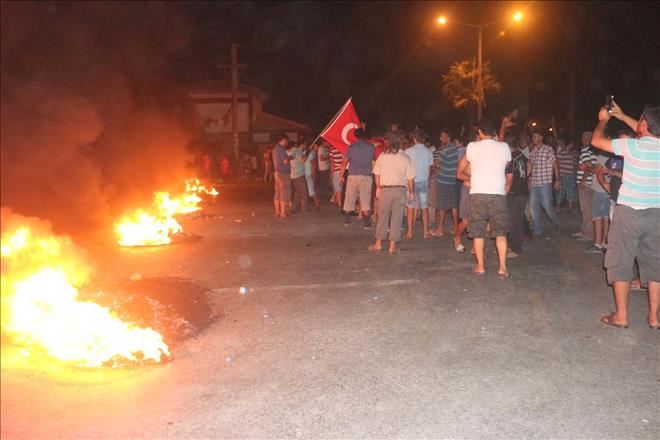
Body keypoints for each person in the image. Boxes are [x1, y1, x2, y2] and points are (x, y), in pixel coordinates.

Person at [590, 102, 660, 330]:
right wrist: (622, 115)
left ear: (644, 124)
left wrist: (604, 119)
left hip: (628, 212)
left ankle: (621, 316)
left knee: (620, 261)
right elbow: (648, 132)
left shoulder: (632, 146)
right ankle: (654, 317)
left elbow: (596, 141)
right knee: (655, 264)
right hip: (655, 215)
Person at [457, 118, 512, 278]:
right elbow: (506, 161)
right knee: (501, 232)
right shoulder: (504, 147)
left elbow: (467, 165)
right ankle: (502, 268)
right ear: (494, 132)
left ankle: (481, 266)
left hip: (478, 192)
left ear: (479, 132)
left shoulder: (472, 147)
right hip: (497, 193)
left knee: (478, 232)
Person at [369, 133, 415, 254]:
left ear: (388, 143)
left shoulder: (383, 156)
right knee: (397, 218)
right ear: (400, 143)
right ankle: (392, 246)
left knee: (382, 217)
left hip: (386, 190)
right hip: (400, 190)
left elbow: (376, 174)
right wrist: (411, 191)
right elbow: (410, 178)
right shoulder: (405, 157)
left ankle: (378, 244)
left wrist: (378, 187)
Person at [528, 131, 560, 235]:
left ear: (541, 137)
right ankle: (537, 230)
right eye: (533, 136)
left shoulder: (548, 149)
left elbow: (555, 165)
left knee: (546, 205)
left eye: (535, 136)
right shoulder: (533, 151)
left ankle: (555, 222)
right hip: (534, 182)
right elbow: (531, 166)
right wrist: (528, 178)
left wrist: (557, 179)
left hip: (545, 182)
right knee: (533, 207)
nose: (533, 138)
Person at [340, 128, 375, 227]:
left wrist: (341, 176)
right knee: (366, 199)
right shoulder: (371, 147)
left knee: (349, 198)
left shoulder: (351, 147)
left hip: (353, 175)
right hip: (366, 176)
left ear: (356, 136)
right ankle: (366, 223)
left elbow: (344, 162)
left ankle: (347, 220)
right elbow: (373, 162)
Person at [404, 129, 434, 239]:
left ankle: (410, 232)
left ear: (414, 139)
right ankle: (426, 232)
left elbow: (406, 168)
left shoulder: (408, 151)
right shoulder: (428, 152)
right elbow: (430, 168)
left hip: (412, 182)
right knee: (424, 207)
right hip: (423, 182)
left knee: (410, 207)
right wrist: (427, 178)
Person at [431, 128, 459, 238]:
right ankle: (455, 227)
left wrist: (437, 165)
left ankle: (440, 229)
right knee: (453, 205)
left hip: (443, 181)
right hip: (452, 180)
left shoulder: (444, 150)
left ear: (447, 137)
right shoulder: (455, 149)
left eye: (442, 136)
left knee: (441, 206)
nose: (440, 138)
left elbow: (436, 164)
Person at [505, 137, 529, 257]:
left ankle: (515, 249)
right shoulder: (520, 154)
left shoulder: (511, 159)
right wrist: (524, 179)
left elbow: (508, 181)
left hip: (514, 193)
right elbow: (530, 164)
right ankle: (514, 245)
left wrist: (504, 194)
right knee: (518, 220)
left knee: (514, 222)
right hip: (523, 191)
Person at [575, 132, 597, 241]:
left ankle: (588, 234)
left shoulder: (585, 150)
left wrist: (582, 181)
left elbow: (588, 166)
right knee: (586, 209)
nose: (582, 139)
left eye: (584, 137)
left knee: (586, 209)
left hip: (586, 184)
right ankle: (584, 230)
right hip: (591, 183)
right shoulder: (593, 151)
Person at [555, 138, 578, 213]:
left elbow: (574, 165)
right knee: (561, 192)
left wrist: (575, 173)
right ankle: (558, 207)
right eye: (570, 145)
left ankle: (570, 209)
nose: (571, 146)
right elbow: (557, 165)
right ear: (567, 144)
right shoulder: (561, 153)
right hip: (562, 175)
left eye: (572, 145)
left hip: (571, 175)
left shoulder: (572, 153)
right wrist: (557, 177)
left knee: (570, 192)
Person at [271, 134, 291, 218]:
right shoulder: (282, 149)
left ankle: (277, 212)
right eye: (287, 141)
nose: (287, 143)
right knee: (284, 191)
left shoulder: (275, 149)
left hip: (277, 172)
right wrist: (290, 158)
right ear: (283, 140)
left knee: (278, 192)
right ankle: (283, 212)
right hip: (283, 173)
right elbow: (285, 161)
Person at [290, 141, 308, 213]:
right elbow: (303, 160)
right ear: (302, 144)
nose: (305, 146)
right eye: (305, 145)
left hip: (294, 175)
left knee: (298, 193)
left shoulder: (293, 151)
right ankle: (305, 209)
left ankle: (293, 208)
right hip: (299, 175)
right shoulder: (298, 151)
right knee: (304, 192)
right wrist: (307, 154)